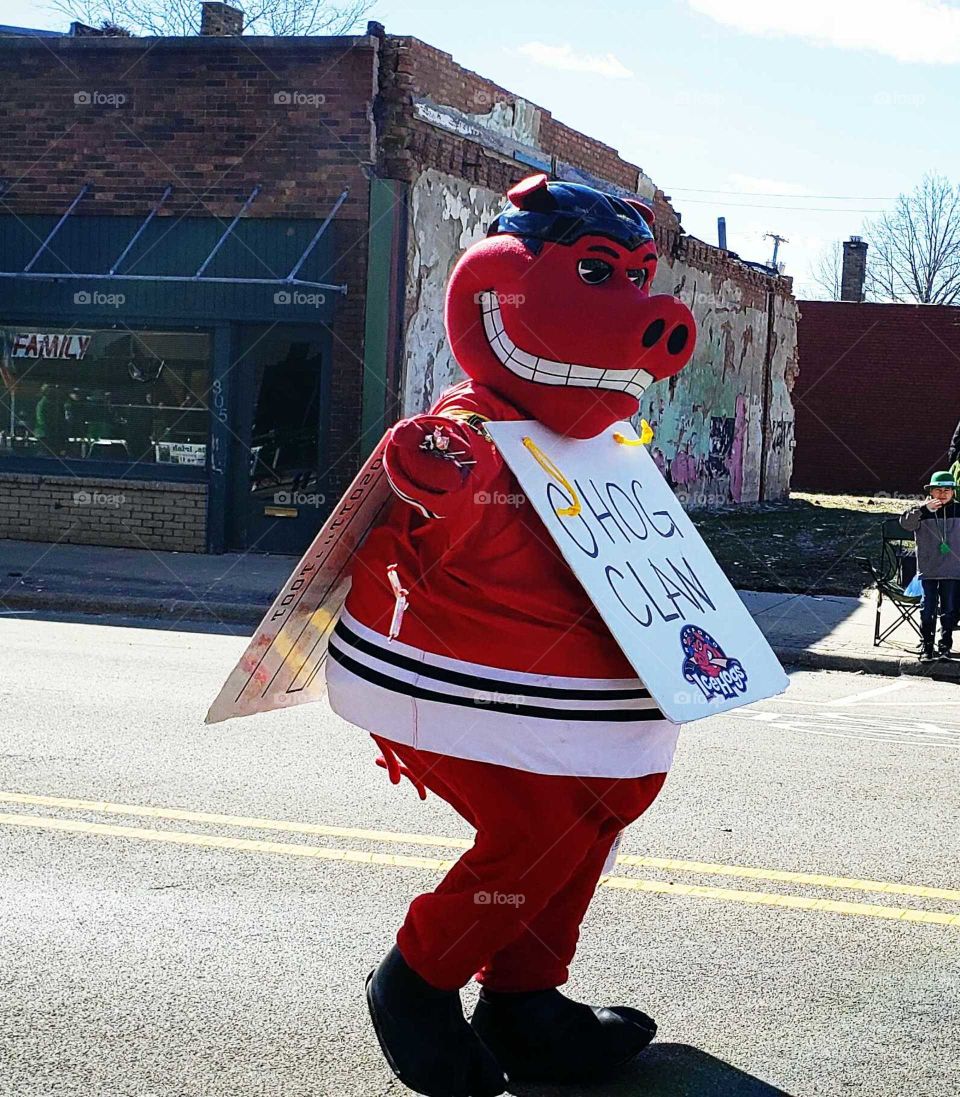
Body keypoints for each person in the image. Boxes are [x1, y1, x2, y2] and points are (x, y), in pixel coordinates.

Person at [900, 471, 960, 661]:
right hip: (928, 570)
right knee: (928, 608)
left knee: (949, 609)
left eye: (947, 490)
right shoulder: (921, 511)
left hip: (953, 570)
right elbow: (906, 524)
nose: (942, 494)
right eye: (938, 490)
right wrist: (923, 509)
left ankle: (945, 647)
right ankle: (927, 646)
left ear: (953, 492)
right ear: (930, 492)